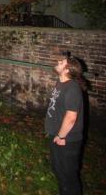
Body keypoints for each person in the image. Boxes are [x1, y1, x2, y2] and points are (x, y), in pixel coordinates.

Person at [45, 51, 87, 195]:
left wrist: (61, 136)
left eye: (61, 62)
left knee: (68, 177)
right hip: (57, 136)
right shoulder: (61, 83)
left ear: (67, 70)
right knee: (59, 171)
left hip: (67, 140)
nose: (57, 62)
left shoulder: (72, 88)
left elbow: (71, 117)